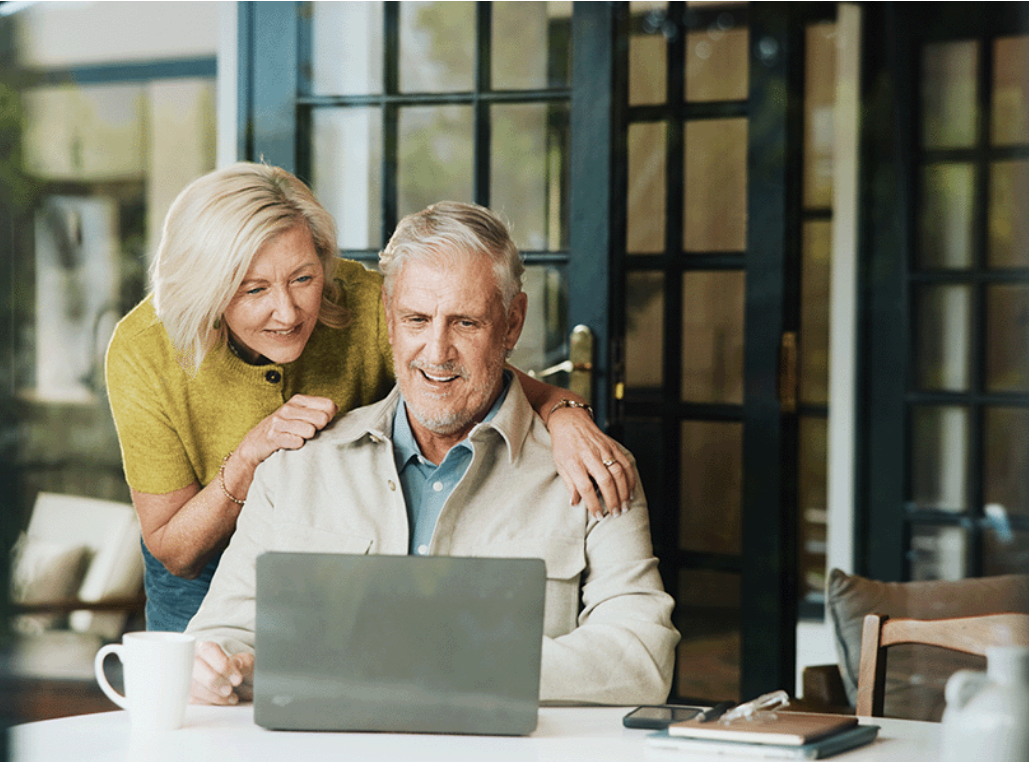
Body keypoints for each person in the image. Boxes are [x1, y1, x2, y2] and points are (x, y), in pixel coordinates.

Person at [104, 164, 637, 634]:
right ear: (208, 289)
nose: (288, 312)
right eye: (253, 289)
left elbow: (471, 361)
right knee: (198, 704)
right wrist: (250, 456)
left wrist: (565, 412)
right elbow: (175, 551)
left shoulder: (364, 300)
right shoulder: (144, 351)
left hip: (333, 550)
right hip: (202, 560)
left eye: (303, 278)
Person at [185, 200, 679, 706]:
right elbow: (221, 633)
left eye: (465, 323)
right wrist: (213, 665)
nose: (437, 351)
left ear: (512, 324)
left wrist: (444, 664)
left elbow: (642, 657)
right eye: (417, 319)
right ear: (389, 320)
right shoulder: (297, 466)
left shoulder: (593, 471)